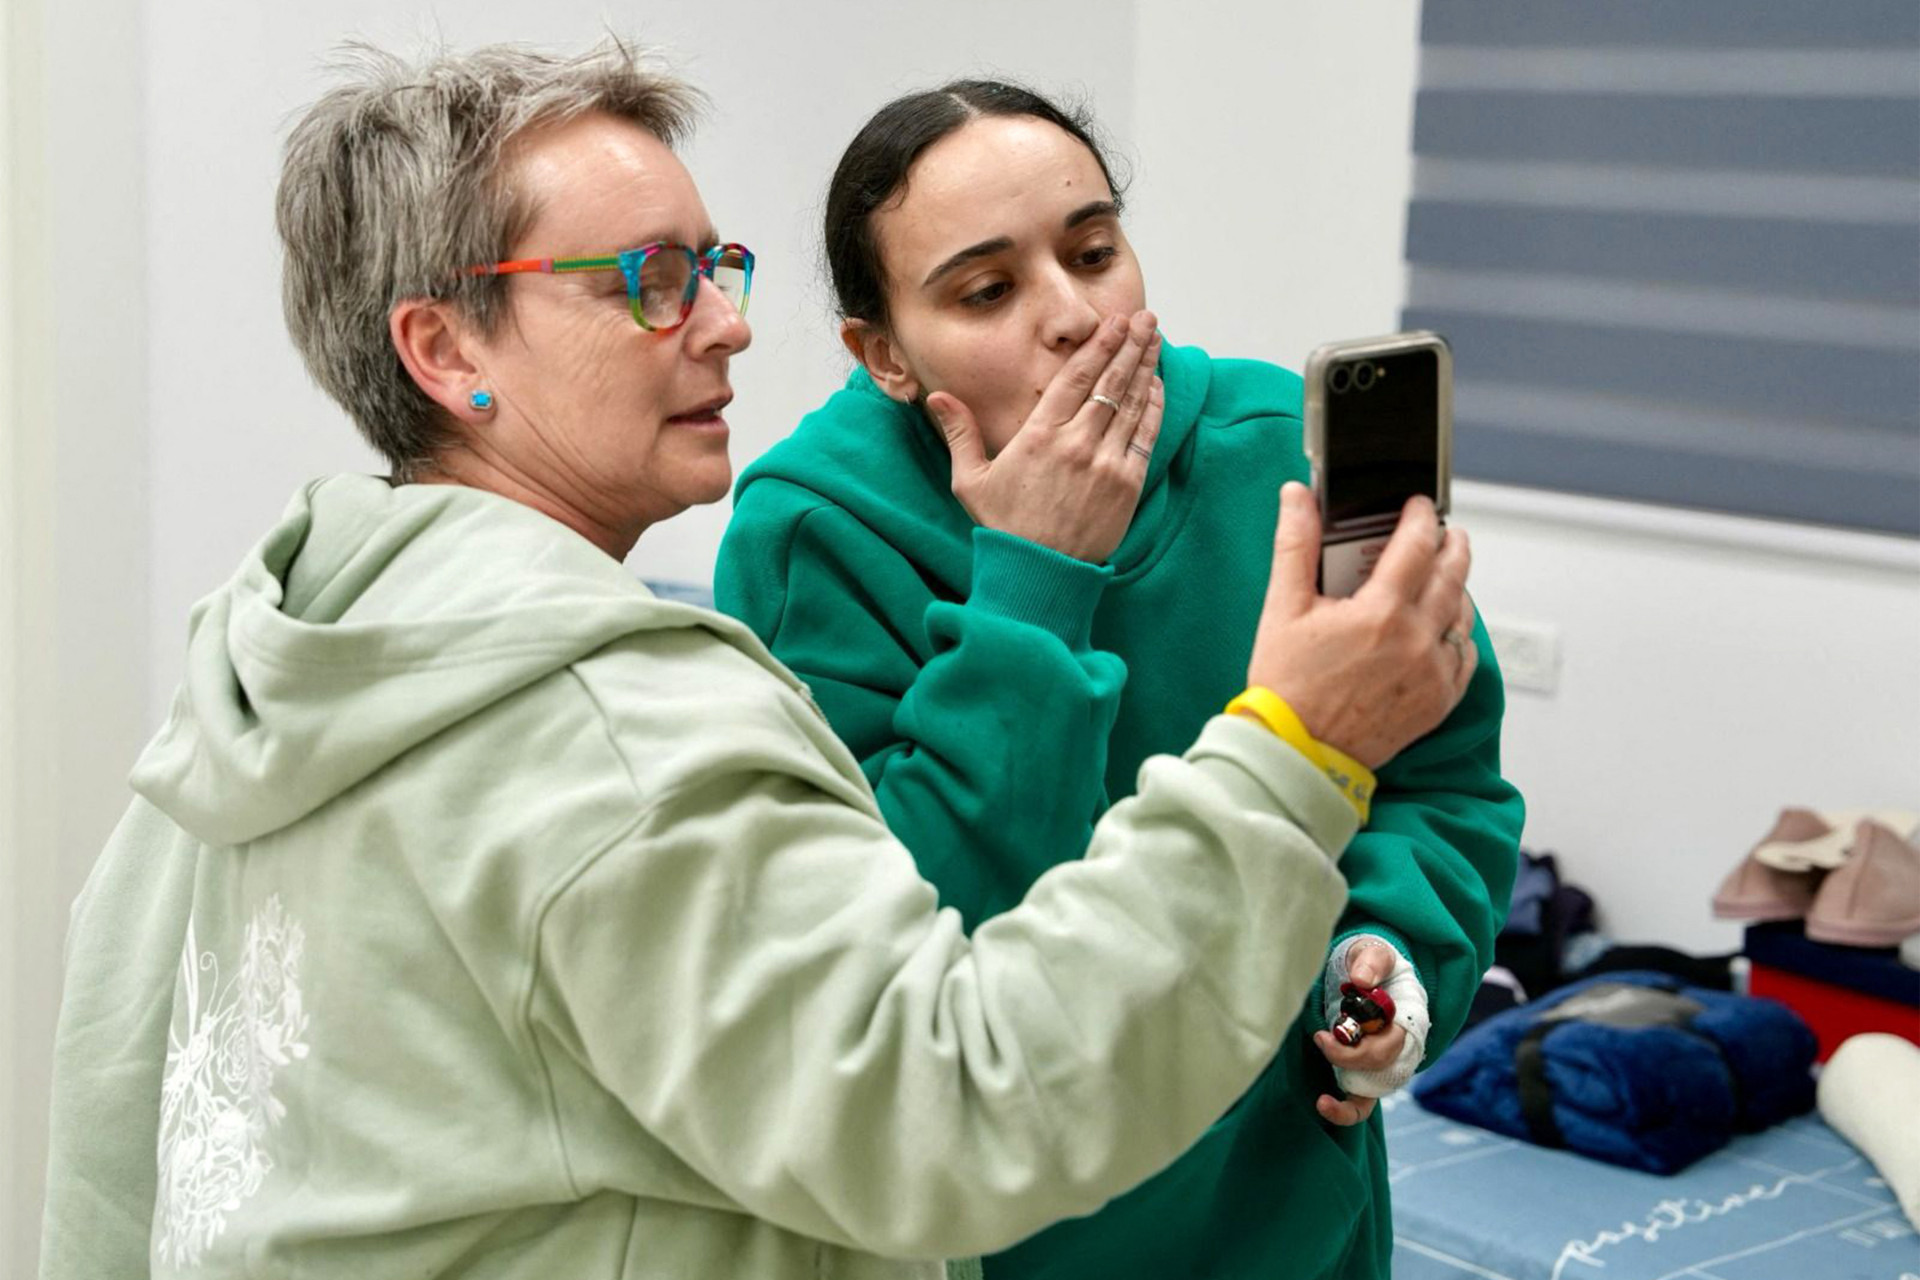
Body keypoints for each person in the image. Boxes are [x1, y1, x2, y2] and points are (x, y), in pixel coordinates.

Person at [36, 42, 1479, 1280]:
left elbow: (121, 1132)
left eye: (1094, 249)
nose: (730, 321)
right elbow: (952, 1093)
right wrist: (1291, 745)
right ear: (443, 349)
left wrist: (1394, 951)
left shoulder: (269, 666)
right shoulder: (624, 710)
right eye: (653, 281)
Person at [717, 80, 1525, 1279]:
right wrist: (1037, 576)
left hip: (1289, 1207)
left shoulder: (1271, 446)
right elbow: (901, 946)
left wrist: (1390, 952)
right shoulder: (814, 530)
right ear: (884, 353)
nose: (1071, 314)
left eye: (1094, 251)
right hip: (1009, 1225)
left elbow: (1440, 775)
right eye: (987, 289)